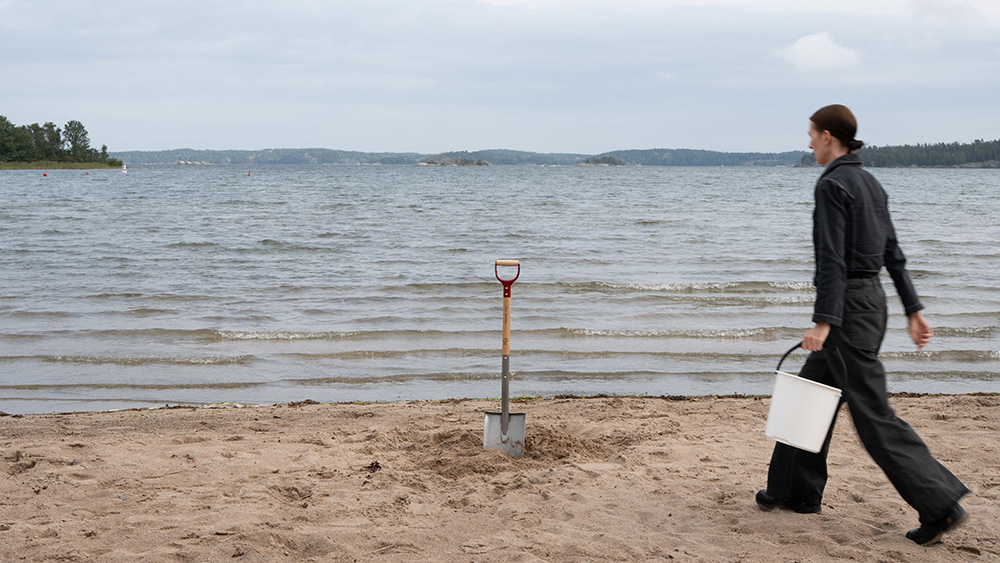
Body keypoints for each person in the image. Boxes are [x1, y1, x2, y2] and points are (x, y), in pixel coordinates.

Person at [756, 104, 969, 545]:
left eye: (812, 134)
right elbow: (893, 254)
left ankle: (941, 504)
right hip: (870, 303)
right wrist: (913, 309)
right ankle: (794, 492)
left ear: (830, 136)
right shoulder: (870, 183)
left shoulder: (833, 185)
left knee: (873, 415)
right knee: (811, 396)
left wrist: (823, 321)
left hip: (848, 310)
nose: (809, 142)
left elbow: (832, 259)